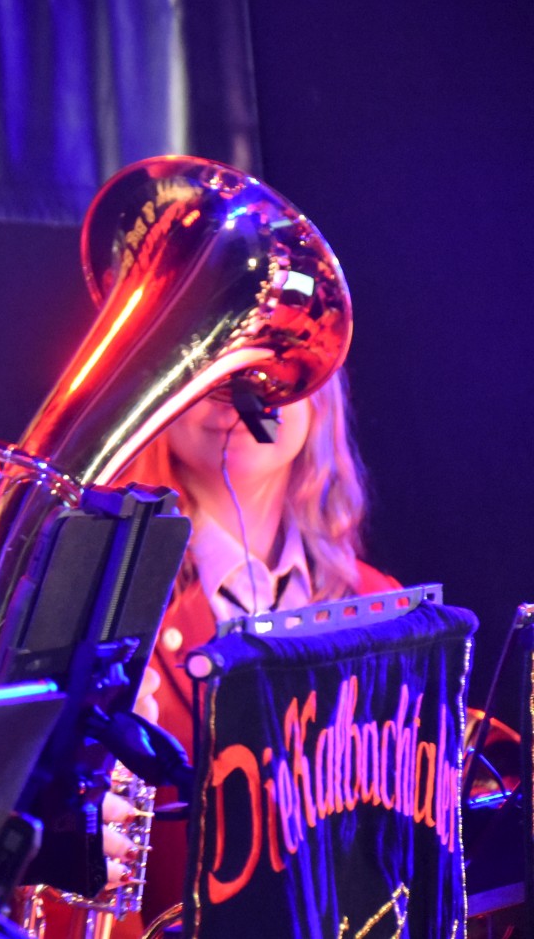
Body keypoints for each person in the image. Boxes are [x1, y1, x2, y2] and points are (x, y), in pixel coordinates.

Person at [121, 370, 397, 922]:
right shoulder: (112, 609)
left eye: (267, 370)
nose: (240, 399)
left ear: (318, 398)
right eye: (212, 373)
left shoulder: (381, 602)